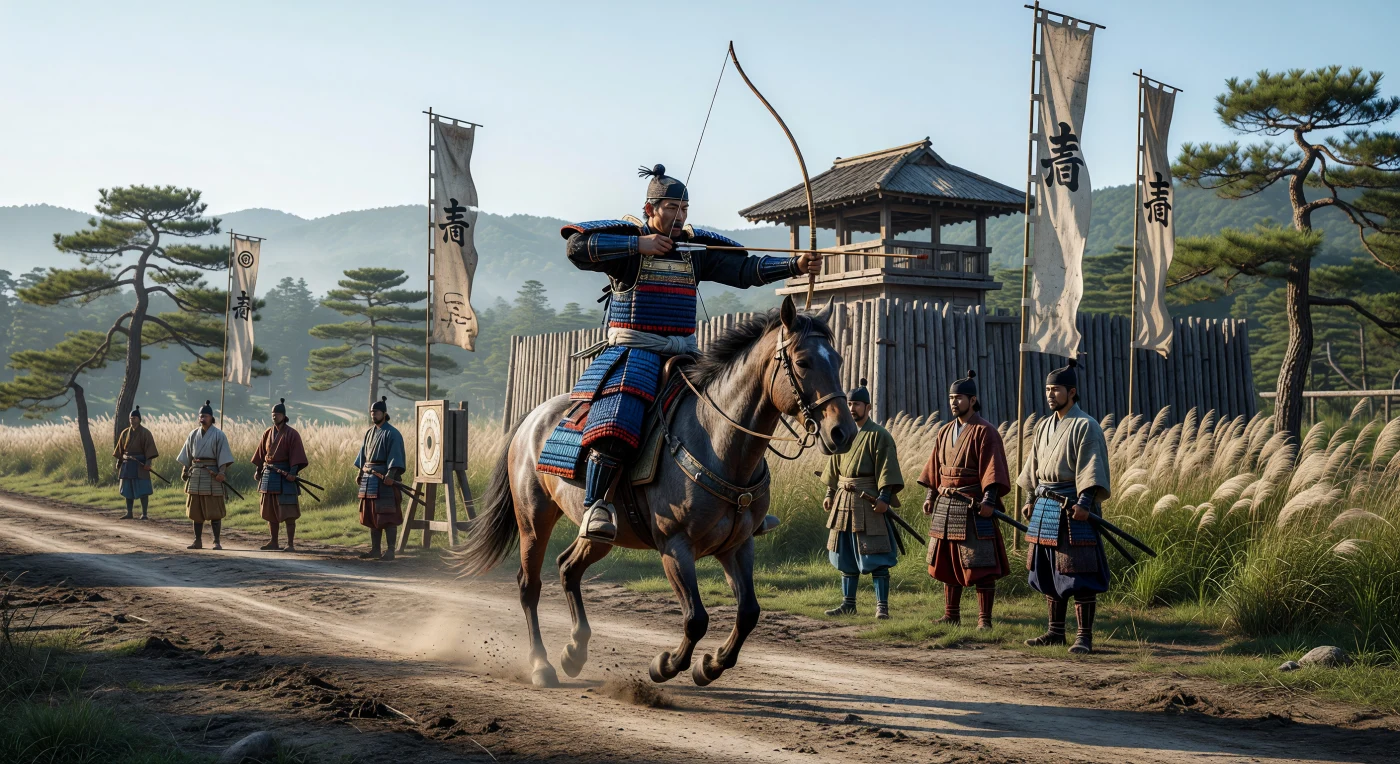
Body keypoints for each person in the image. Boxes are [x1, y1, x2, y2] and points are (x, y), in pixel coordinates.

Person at [545, 163, 821, 544]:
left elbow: (744, 270)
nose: (680, 216)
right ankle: (596, 505)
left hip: (685, 354)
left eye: (685, 209)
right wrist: (638, 246)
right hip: (634, 352)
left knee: (730, 409)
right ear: (650, 209)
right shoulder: (628, 243)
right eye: (672, 208)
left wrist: (793, 265)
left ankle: (744, 504)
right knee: (617, 418)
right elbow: (576, 248)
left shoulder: (693, 249)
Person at [1017, 359, 1112, 654]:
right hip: (1045, 505)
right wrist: (1030, 499)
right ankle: (1055, 632)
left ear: (1071, 392)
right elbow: (1034, 466)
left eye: (1056, 390)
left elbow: (1091, 467)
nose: (1050, 395)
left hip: (1073, 507)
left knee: (1079, 571)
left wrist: (1084, 502)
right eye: (1048, 389)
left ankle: (1084, 637)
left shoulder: (1086, 425)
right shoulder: (1044, 425)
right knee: (1048, 569)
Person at [919, 370, 1011, 629]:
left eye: (958, 398)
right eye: (951, 398)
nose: (954, 402)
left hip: (973, 505)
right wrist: (930, 495)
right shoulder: (944, 431)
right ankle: (951, 614)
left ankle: (984, 620)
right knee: (947, 561)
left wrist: (989, 500)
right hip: (946, 504)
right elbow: (935, 467)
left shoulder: (986, 431)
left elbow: (992, 468)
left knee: (980, 562)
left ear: (972, 400)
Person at [821, 379, 904, 620]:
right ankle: (848, 604)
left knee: (875, 553)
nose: (852, 408)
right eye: (849, 404)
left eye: (856, 404)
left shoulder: (880, 435)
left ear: (868, 407)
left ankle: (882, 607)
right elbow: (834, 467)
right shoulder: (842, 434)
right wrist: (829, 494)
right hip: (843, 500)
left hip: (869, 500)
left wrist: (884, 496)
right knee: (844, 553)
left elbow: (887, 468)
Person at [175, 400, 234, 550]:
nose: (202, 418)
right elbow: (188, 454)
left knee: (215, 510)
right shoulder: (193, 434)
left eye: (205, 416)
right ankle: (197, 541)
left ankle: (216, 541)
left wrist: (221, 472)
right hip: (196, 474)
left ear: (211, 418)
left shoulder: (219, 435)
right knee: (196, 510)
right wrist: (185, 469)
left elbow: (223, 455)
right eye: (200, 416)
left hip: (212, 474)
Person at [251, 398, 309, 552]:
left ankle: (290, 544)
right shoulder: (267, 433)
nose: (274, 416)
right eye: (272, 414)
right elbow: (261, 454)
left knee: (288, 510)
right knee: (270, 510)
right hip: (269, 474)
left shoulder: (292, 434)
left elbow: (296, 454)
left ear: (284, 416)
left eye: (277, 414)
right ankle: (274, 541)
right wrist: (258, 470)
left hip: (285, 475)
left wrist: (293, 472)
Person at [354, 396, 406, 560]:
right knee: (372, 515)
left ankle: (390, 550)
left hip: (384, 478)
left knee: (387, 514)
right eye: (372, 412)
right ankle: (375, 549)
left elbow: (395, 455)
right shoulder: (369, 433)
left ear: (384, 413)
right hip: (369, 478)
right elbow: (363, 455)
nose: (373, 415)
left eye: (376, 412)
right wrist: (360, 473)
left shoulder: (392, 433)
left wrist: (391, 475)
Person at [113, 406, 158, 520]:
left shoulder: (145, 433)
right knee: (128, 489)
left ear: (139, 419)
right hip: (127, 464)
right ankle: (129, 512)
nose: (132, 420)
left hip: (140, 465)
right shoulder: (125, 433)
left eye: (134, 418)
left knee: (143, 489)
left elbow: (150, 450)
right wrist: (119, 461)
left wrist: (148, 463)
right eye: (130, 418)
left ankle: (144, 513)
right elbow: (121, 449)